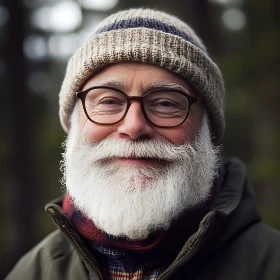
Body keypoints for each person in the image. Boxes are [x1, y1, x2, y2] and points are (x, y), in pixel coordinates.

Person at [6, 8, 280, 280]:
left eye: (165, 103)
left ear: (207, 132)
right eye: (109, 102)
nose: (134, 126)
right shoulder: (31, 273)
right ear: (74, 123)